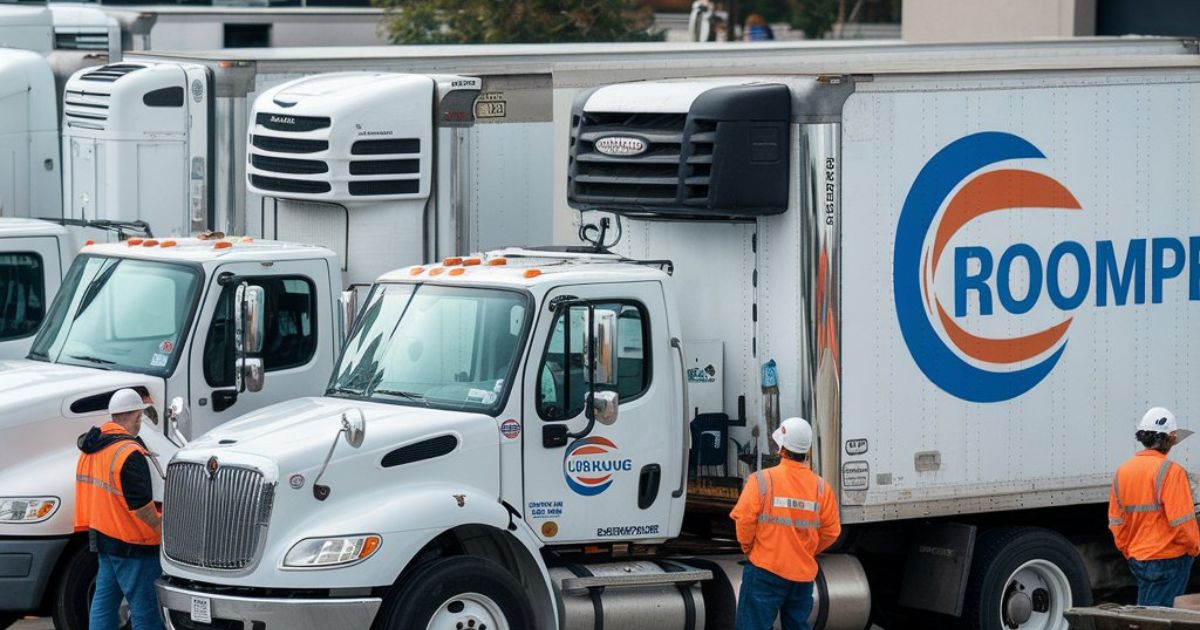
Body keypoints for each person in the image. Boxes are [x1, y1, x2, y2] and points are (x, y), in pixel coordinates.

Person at [730, 417, 841, 630]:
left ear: (781, 449)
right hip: (802, 576)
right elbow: (831, 531)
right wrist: (806, 550)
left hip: (765, 569)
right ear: (807, 451)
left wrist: (749, 548)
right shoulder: (821, 488)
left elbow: (744, 521)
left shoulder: (762, 480)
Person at [75, 388, 163, 630]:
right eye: (140, 418)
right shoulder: (129, 452)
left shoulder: (92, 447)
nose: (140, 423)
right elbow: (140, 507)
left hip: (104, 537)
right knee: (146, 609)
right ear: (136, 416)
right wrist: (163, 527)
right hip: (133, 544)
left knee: (104, 602)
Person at [1108, 406, 1200, 607]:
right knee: (1159, 615)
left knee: (1146, 612)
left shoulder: (1123, 471)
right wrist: (1194, 548)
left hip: (1138, 558)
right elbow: (1183, 521)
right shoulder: (1171, 472)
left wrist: (1129, 551)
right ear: (1170, 439)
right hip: (1169, 558)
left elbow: (1116, 521)